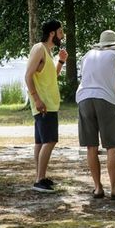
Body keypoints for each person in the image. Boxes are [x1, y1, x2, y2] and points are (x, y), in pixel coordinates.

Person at [75, 30, 115, 200]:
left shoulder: (86, 56)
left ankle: (98, 188)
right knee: (111, 146)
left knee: (91, 146)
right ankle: (114, 189)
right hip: (105, 100)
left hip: (83, 98)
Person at [25, 19, 68, 193]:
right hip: (43, 105)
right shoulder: (39, 49)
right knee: (50, 140)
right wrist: (36, 99)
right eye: (60, 32)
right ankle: (39, 180)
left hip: (49, 103)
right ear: (52, 33)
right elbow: (28, 76)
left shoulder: (48, 53)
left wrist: (61, 62)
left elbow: (51, 77)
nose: (62, 35)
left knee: (41, 142)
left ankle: (40, 177)